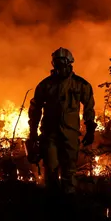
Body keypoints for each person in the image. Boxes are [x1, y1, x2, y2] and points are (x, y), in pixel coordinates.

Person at [27, 47, 96, 194]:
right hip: (50, 134)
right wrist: (33, 132)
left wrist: (90, 128)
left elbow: (89, 107)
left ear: (70, 63)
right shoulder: (46, 85)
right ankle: (53, 203)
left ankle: (68, 204)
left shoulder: (81, 85)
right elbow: (35, 109)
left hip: (70, 134)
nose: (60, 66)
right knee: (51, 168)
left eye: (63, 63)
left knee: (69, 170)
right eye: (57, 63)